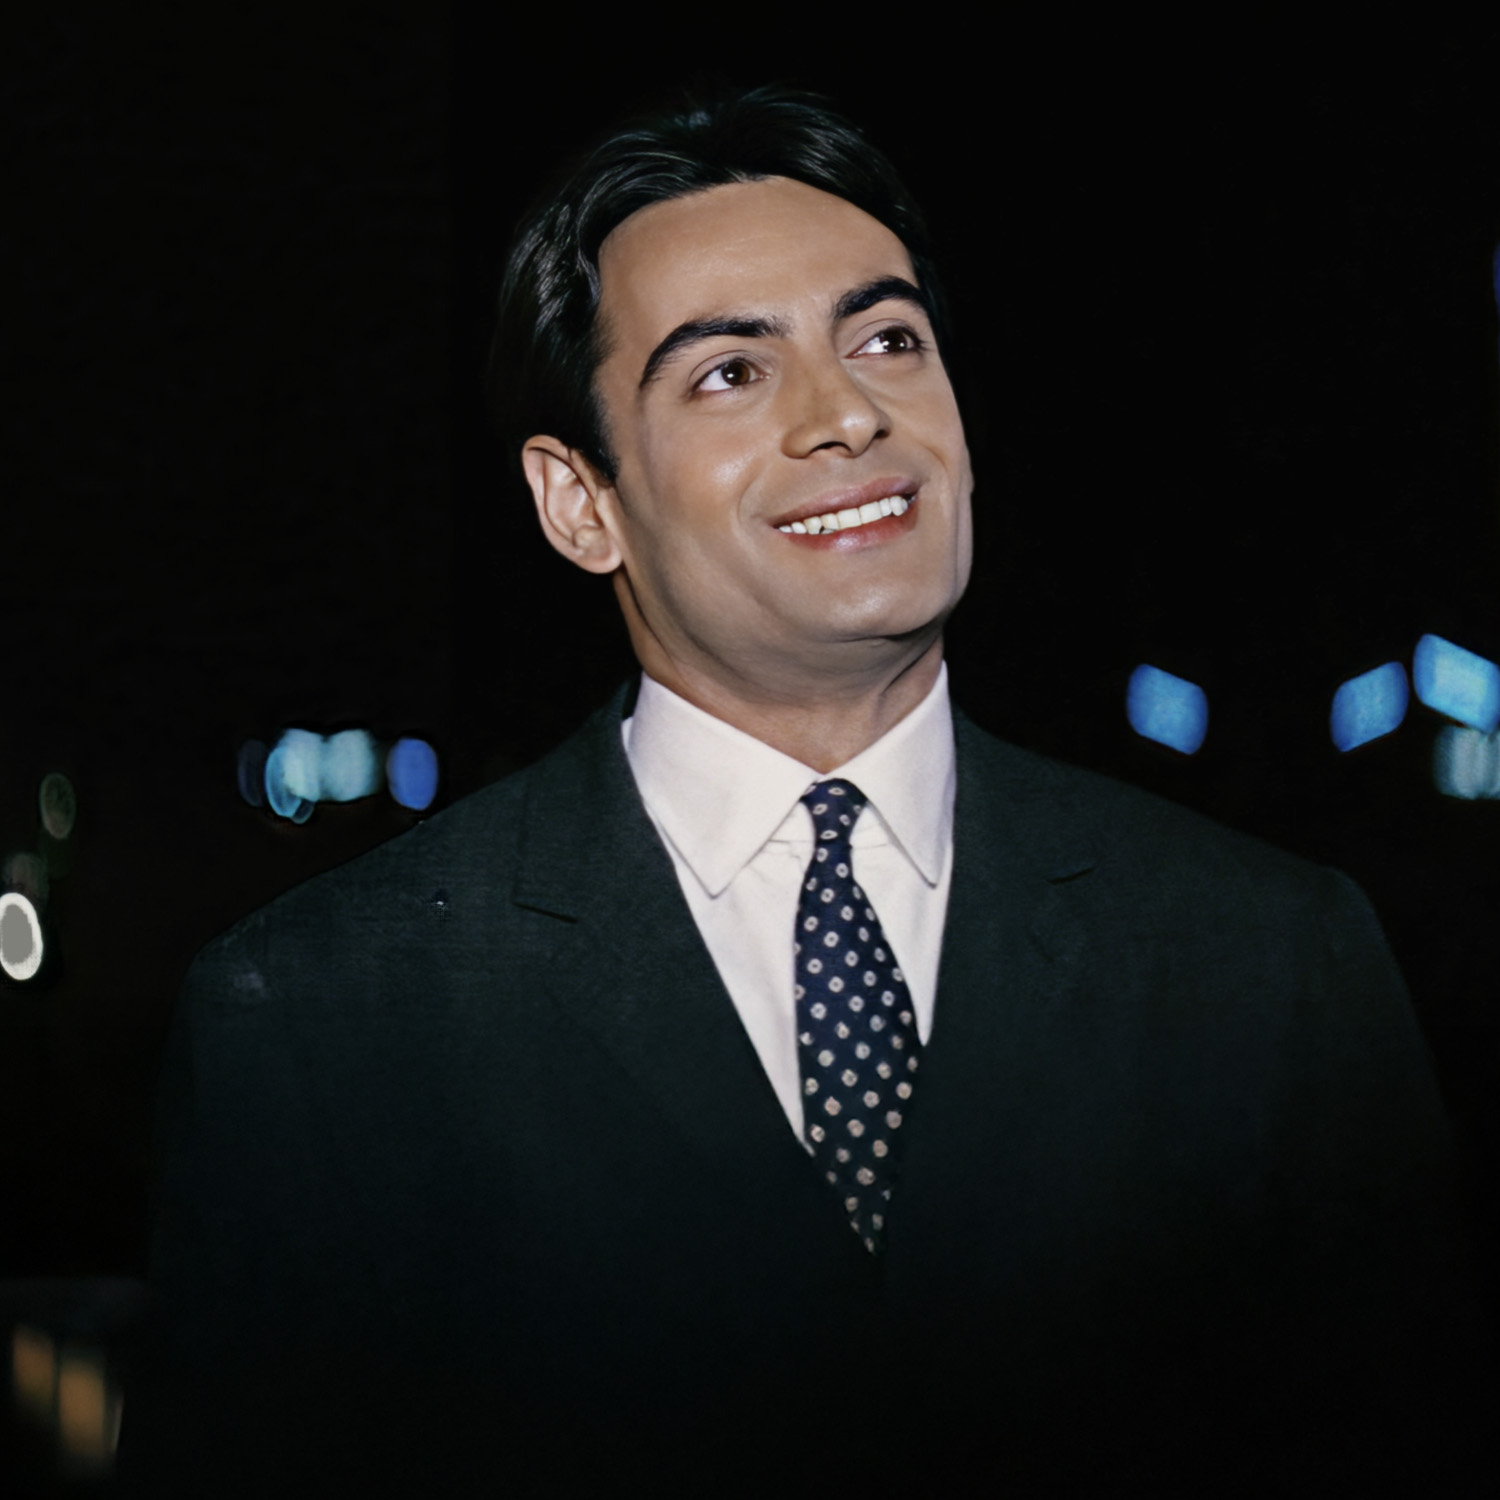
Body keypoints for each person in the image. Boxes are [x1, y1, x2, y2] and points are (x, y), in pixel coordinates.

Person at [122, 87, 1493, 1495]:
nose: (846, 415)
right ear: (580, 501)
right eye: (730, 371)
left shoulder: (1273, 958)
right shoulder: (323, 1015)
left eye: (888, 340)